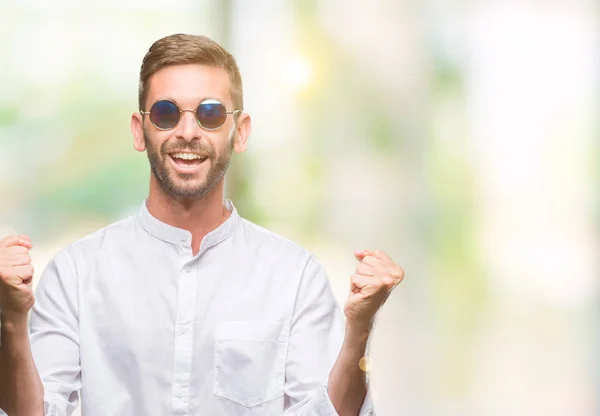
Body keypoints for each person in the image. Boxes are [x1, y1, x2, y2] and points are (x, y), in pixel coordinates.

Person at [0, 34, 404, 416]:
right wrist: (11, 320)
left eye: (210, 113)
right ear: (140, 132)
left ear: (239, 132)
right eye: (166, 113)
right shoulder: (76, 273)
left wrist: (360, 329)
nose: (188, 131)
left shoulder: (295, 277)